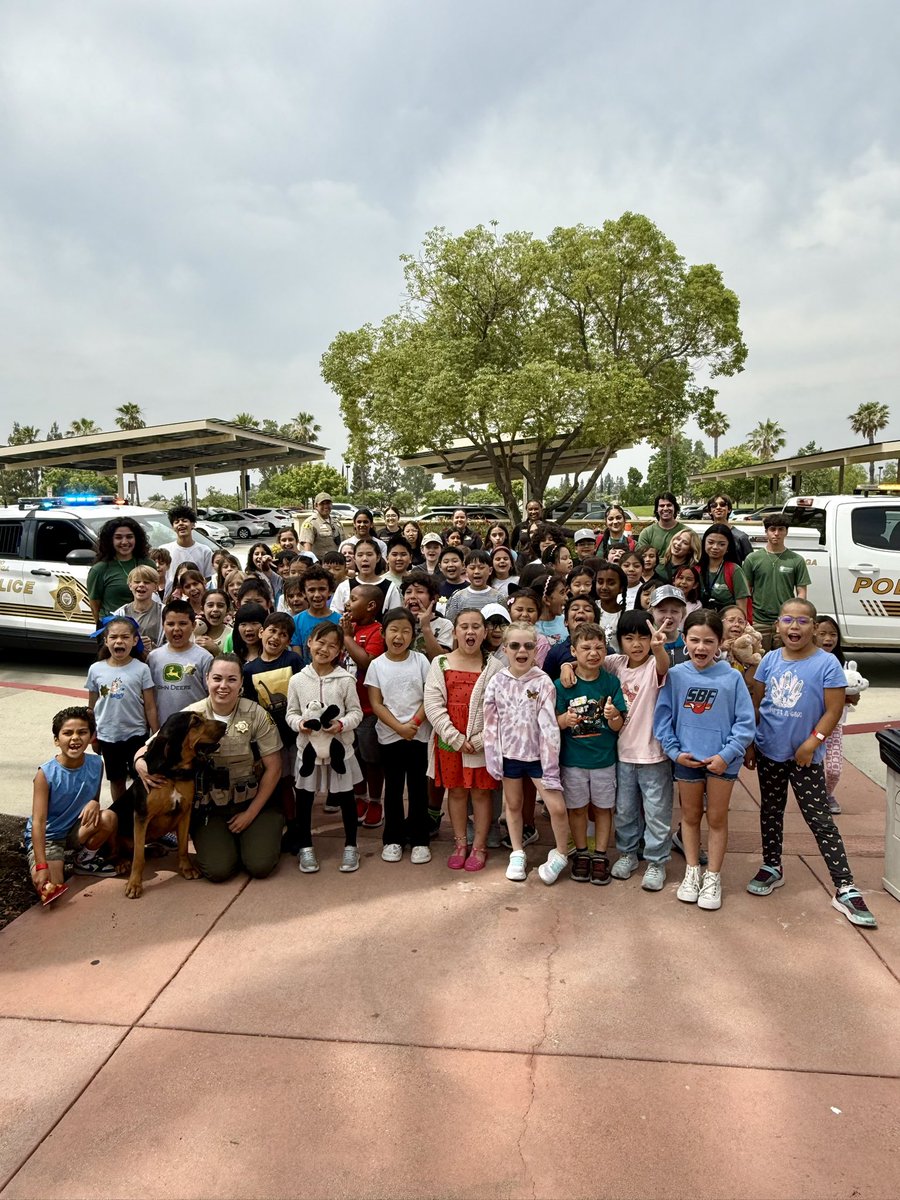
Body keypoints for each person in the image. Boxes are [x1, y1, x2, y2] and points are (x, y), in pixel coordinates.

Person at [745, 599, 876, 927]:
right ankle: (772, 865)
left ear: (814, 628)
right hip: (769, 752)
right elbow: (755, 703)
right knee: (770, 811)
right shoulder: (770, 661)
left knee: (819, 819)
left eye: (802, 621)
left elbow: (833, 710)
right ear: (777, 625)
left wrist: (812, 742)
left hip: (805, 758)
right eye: (787, 619)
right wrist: (750, 743)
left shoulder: (827, 663)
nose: (794, 627)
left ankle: (844, 885)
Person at [135, 654, 284, 883]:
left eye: (231, 679)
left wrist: (249, 814)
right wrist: (140, 765)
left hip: (252, 802)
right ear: (207, 679)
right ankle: (231, 841)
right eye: (217, 678)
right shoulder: (189, 716)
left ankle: (264, 833)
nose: (223, 686)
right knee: (218, 871)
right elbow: (149, 746)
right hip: (211, 808)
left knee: (259, 865)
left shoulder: (256, 715)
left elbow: (274, 768)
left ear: (241, 682)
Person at [654, 609, 756, 911]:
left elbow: (745, 723)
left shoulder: (732, 677)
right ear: (685, 640)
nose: (701, 647)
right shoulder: (676, 675)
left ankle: (713, 876)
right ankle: (692, 871)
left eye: (709, 641)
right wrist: (674, 752)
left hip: (722, 762)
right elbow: (663, 719)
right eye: (695, 640)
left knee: (716, 818)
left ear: (720, 643)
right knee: (689, 816)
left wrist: (726, 755)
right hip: (687, 760)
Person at [483, 621, 574, 885]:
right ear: (505, 648)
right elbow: (491, 724)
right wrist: (494, 757)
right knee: (513, 806)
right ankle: (517, 852)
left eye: (528, 645)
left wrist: (550, 762)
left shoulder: (543, 682)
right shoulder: (497, 682)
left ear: (536, 650)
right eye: (514, 645)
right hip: (510, 756)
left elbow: (548, 724)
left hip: (538, 758)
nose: (521, 650)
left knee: (556, 807)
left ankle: (559, 852)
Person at [424, 609, 503, 871]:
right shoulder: (441, 663)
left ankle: (479, 846)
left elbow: (500, 710)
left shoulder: (495, 667)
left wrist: (480, 740)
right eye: (464, 627)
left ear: (484, 632)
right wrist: (454, 738)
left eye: (476, 627)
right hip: (450, 740)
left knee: (481, 794)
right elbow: (433, 705)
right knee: (456, 792)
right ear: (455, 631)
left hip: (481, 742)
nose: (470, 632)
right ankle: (460, 843)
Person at [285, 622, 364, 873]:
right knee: (305, 799)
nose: (325, 649)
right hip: (308, 751)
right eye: (320, 642)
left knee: (346, 799)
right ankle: (306, 847)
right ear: (309, 642)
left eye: (332, 646)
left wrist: (341, 724)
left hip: (339, 749)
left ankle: (351, 846)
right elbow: (291, 713)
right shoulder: (297, 680)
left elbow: (356, 712)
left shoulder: (345, 680)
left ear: (340, 651)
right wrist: (300, 724)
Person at [554, 622, 627, 885]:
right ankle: (582, 853)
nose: (593, 653)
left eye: (599, 647)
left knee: (603, 808)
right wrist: (566, 719)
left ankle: (600, 854)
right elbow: (554, 723)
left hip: (604, 761)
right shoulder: (562, 685)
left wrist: (613, 716)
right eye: (586, 647)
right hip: (573, 761)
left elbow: (618, 725)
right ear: (574, 651)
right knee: (577, 809)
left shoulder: (611, 682)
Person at [605, 611, 673, 891]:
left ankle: (657, 861)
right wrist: (568, 667)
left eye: (643, 637)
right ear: (619, 640)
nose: (636, 644)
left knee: (657, 811)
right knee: (624, 810)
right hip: (622, 755)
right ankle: (628, 854)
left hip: (653, 755)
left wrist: (659, 648)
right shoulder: (615, 663)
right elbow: (587, 661)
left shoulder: (653, 665)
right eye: (629, 638)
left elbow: (664, 665)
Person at [27, 707, 117, 902]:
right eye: (68, 733)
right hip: (50, 837)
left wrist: (94, 802)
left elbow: (92, 799)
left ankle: (83, 861)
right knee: (52, 892)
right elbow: (38, 822)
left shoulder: (96, 763)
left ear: (91, 736)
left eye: (82, 732)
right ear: (57, 740)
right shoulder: (45, 774)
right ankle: (45, 865)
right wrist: (42, 866)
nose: (75, 738)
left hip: (76, 830)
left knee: (108, 817)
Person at [366, 607, 432, 864]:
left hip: (418, 734)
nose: (399, 636)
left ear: (413, 634)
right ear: (383, 633)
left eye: (406, 631)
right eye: (394, 630)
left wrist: (413, 723)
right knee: (392, 788)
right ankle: (392, 839)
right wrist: (399, 727)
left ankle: (419, 839)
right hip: (390, 736)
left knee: (417, 788)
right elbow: (376, 703)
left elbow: (429, 696)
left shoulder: (420, 661)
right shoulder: (376, 665)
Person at [86, 616, 158, 804]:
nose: (119, 641)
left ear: (135, 641)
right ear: (106, 640)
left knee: (141, 778)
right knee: (116, 779)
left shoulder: (142, 669)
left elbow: (150, 706)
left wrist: (156, 734)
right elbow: (91, 708)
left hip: (136, 735)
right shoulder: (96, 669)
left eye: (125, 637)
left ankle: (140, 816)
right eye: (114, 637)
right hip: (108, 736)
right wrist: (93, 736)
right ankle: (120, 817)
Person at [340, 584, 386, 828]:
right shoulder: (350, 627)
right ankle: (360, 797)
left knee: (371, 759)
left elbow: (367, 662)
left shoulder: (377, 632)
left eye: (354, 599)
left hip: (368, 711)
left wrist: (347, 638)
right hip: (348, 710)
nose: (348, 603)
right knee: (353, 758)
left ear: (370, 606)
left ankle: (376, 801)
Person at [742, 514, 811, 651]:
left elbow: (801, 591)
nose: (776, 533)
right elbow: (745, 591)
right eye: (772, 529)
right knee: (758, 661)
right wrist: (746, 619)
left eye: (781, 529)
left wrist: (795, 616)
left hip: (786, 621)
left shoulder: (796, 560)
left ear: (786, 532)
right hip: (759, 621)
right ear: (766, 532)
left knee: (787, 660)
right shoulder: (753, 558)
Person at [814, 615, 860, 815]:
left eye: (833, 634)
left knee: (833, 769)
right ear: (812, 633)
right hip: (810, 725)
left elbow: (854, 697)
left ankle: (827, 793)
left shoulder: (844, 665)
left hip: (835, 727)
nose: (828, 638)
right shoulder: (808, 663)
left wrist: (852, 696)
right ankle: (811, 796)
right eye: (823, 633)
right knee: (808, 765)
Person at [148, 599, 213, 724]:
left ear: (193, 625)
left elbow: (211, 696)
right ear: (163, 625)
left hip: (194, 729)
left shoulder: (205, 658)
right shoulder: (153, 658)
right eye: (170, 624)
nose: (176, 629)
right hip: (162, 729)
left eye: (183, 623)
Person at [87, 517, 157, 621]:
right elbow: (95, 607)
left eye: (129, 537)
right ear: (110, 540)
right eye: (118, 537)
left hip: (146, 627)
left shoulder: (148, 564)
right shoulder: (99, 569)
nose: (124, 542)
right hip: (114, 631)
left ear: (136, 538)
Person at [329, 538, 402, 616]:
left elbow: (396, 617)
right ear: (354, 558)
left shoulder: (390, 587)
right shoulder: (344, 586)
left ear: (378, 557)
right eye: (360, 555)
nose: (365, 559)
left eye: (369, 554)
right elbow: (335, 616)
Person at [542, 595, 600, 681]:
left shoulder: (606, 651)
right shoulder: (555, 653)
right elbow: (547, 684)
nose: (581, 611)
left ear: (596, 622)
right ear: (565, 622)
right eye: (575, 609)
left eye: (587, 610)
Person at [291, 566, 340, 664]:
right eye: (311, 590)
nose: (317, 595)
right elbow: (297, 655)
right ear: (304, 593)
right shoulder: (296, 621)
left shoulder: (340, 621)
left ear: (330, 591)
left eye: (322, 589)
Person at [698, 524, 750, 617]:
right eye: (710, 542)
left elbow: (741, 608)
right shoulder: (696, 569)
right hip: (700, 624)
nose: (715, 547)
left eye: (721, 544)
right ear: (704, 543)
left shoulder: (734, 570)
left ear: (728, 547)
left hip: (727, 624)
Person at [159, 505, 214, 592]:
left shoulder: (205, 551)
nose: (181, 523)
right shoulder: (164, 550)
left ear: (193, 524)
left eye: (184, 521)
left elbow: (208, 578)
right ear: (173, 527)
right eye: (176, 522)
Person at [400, 571, 454, 659]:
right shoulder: (397, 621)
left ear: (434, 598)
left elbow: (441, 660)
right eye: (408, 592)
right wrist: (403, 622)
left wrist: (426, 627)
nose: (412, 596)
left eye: (420, 592)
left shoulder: (445, 625)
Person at [112, 565, 163, 650]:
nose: (141, 585)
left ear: (155, 587)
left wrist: (153, 647)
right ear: (130, 585)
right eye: (137, 581)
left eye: (146, 582)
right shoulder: (120, 614)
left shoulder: (164, 612)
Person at [445, 550, 501, 621]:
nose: (477, 571)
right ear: (466, 571)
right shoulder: (458, 598)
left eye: (481, 567)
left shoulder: (498, 597)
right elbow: (451, 623)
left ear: (490, 570)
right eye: (472, 568)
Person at [705, 494, 753, 562]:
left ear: (729, 509)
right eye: (714, 505)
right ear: (710, 511)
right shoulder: (706, 536)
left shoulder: (741, 537)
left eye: (722, 504)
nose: (718, 507)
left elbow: (751, 563)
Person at [299, 492, 345, 558]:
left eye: (328, 503)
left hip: (337, 563)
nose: (326, 506)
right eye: (322, 504)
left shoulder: (337, 523)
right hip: (321, 564)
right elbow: (307, 550)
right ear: (316, 506)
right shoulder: (310, 523)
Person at [594, 561, 627, 650]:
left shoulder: (626, 615)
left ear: (621, 588)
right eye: (600, 582)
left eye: (611, 583)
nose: (604, 587)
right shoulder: (590, 609)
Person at [194, 589, 230, 655]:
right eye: (210, 605)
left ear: (227, 610)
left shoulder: (232, 635)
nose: (215, 609)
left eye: (220, 606)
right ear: (202, 609)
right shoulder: (193, 632)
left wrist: (216, 650)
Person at [535, 574, 568, 645]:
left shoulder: (566, 622)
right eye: (562, 593)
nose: (566, 598)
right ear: (546, 599)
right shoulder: (531, 628)